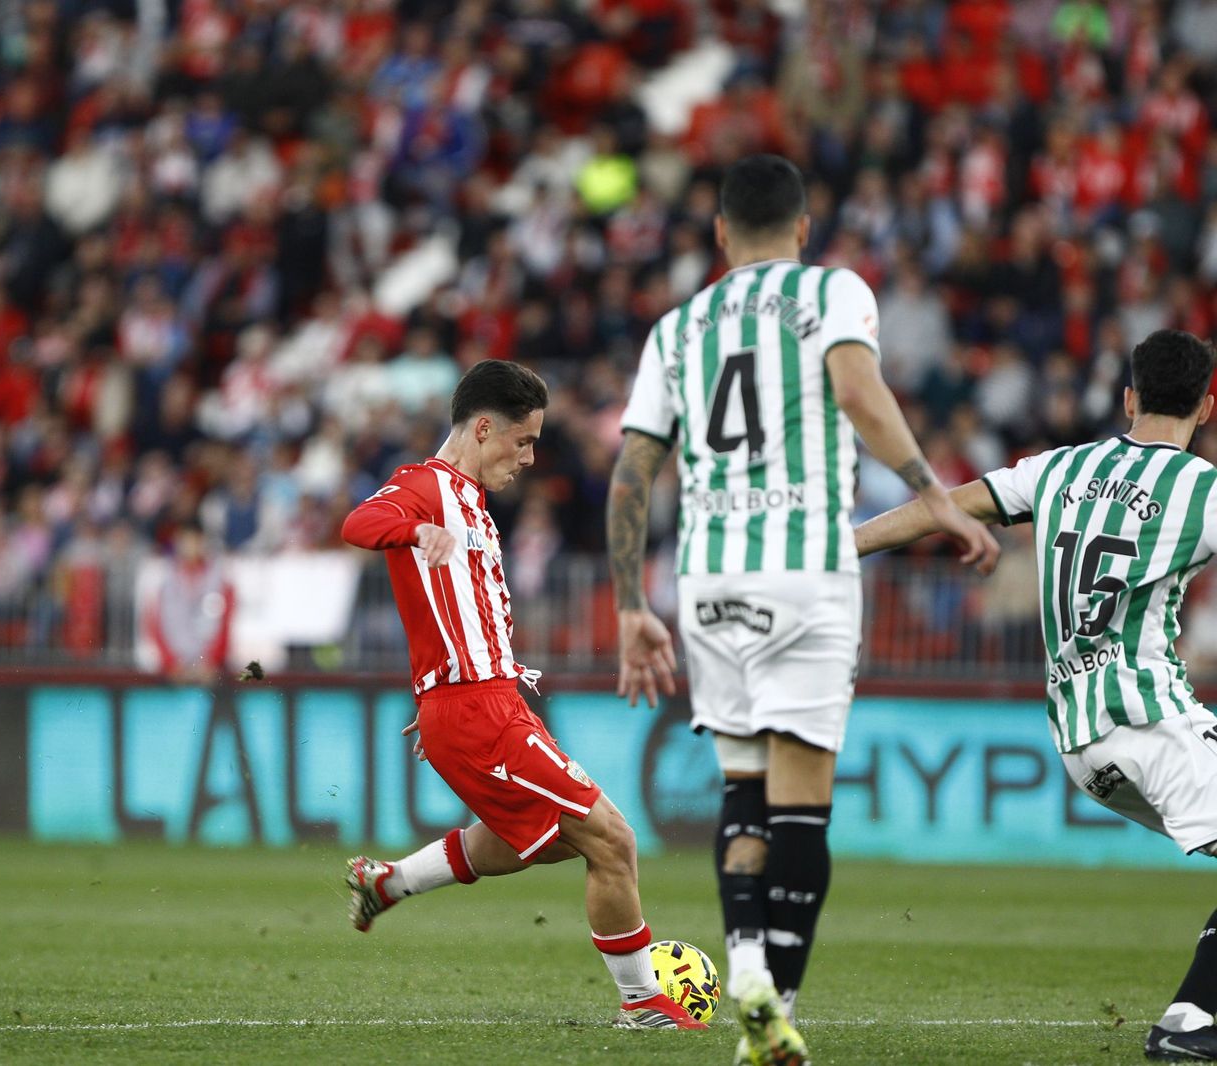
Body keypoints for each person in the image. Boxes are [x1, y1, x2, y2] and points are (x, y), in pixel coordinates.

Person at [605, 154, 999, 1066]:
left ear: (718, 234)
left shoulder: (676, 327)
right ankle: (775, 993)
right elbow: (859, 391)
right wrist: (933, 495)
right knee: (800, 809)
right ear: (803, 227)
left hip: (707, 580)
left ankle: (743, 966)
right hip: (806, 571)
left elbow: (634, 471)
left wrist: (632, 604)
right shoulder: (833, 293)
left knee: (741, 790)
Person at [854, 328, 1217, 1063]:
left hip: (1081, 744)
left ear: (1128, 397)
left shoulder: (1057, 470)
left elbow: (943, 506)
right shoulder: (1204, 494)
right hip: (1151, 719)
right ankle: (1189, 1020)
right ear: (1207, 407)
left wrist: (843, 545)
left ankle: (1197, 1015)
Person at [340, 359, 706, 1031]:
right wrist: (413, 530)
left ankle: (389, 882)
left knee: (551, 840)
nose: (530, 457)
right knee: (613, 841)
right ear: (484, 427)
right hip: (477, 710)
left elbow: (453, 617)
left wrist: (438, 694)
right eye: (523, 440)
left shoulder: (473, 502)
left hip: (485, 702)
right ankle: (641, 1003)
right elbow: (360, 523)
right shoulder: (425, 487)